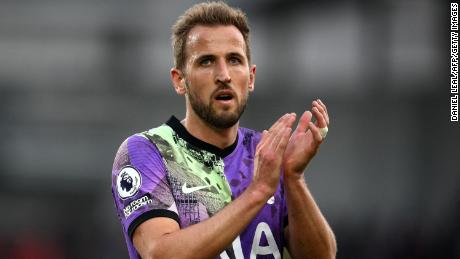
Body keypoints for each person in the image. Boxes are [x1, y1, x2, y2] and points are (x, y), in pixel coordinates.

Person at [111, 2, 336, 258]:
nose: (224, 75)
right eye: (206, 61)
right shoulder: (148, 152)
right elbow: (161, 253)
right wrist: (258, 192)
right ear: (179, 80)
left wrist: (293, 177)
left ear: (250, 78)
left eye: (234, 60)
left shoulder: (266, 153)